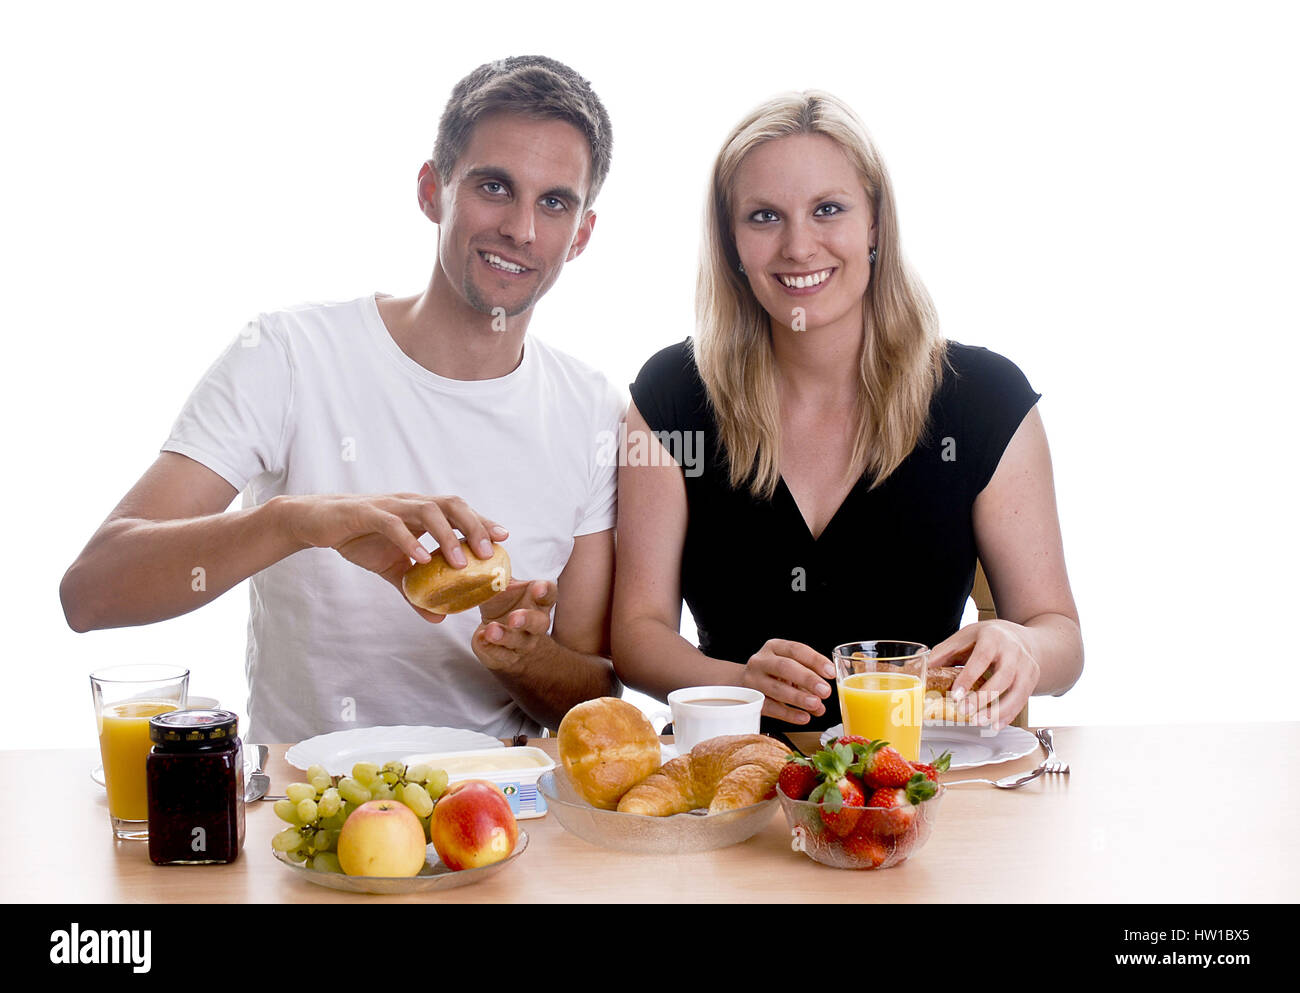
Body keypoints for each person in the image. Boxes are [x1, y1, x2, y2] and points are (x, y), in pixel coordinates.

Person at [60, 56, 623, 742]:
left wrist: (526, 657)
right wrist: (295, 522)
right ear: (431, 191)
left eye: (554, 202)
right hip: (304, 821)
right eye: (494, 186)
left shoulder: (593, 410)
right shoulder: (288, 354)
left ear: (583, 235)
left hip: (504, 822)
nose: (522, 229)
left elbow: (591, 697)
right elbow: (89, 593)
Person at [613, 91, 1083, 733]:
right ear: (730, 242)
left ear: (875, 225)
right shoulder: (671, 395)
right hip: (734, 780)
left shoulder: (985, 398)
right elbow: (637, 635)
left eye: (828, 209)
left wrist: (1024, 646)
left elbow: (1060, 636)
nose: (799, 247)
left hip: (920, 786)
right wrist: (737, 682)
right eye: (763, 217)